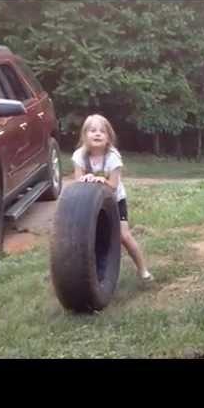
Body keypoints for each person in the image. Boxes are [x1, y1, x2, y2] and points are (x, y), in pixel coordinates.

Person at [72, 114, 154, 282]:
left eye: (102, 131)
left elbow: (114, 185)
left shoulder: (112, 157)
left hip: (115, 200)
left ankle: (143, 270)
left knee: (124, 236)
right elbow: (77, 183)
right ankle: (95, 274)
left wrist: (104, 181)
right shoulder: (79, 156)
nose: (97, 134)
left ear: (108, 137)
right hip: (90, 205)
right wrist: (84, 179)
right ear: (84, 135)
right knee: (93, 237)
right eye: (92, 130)